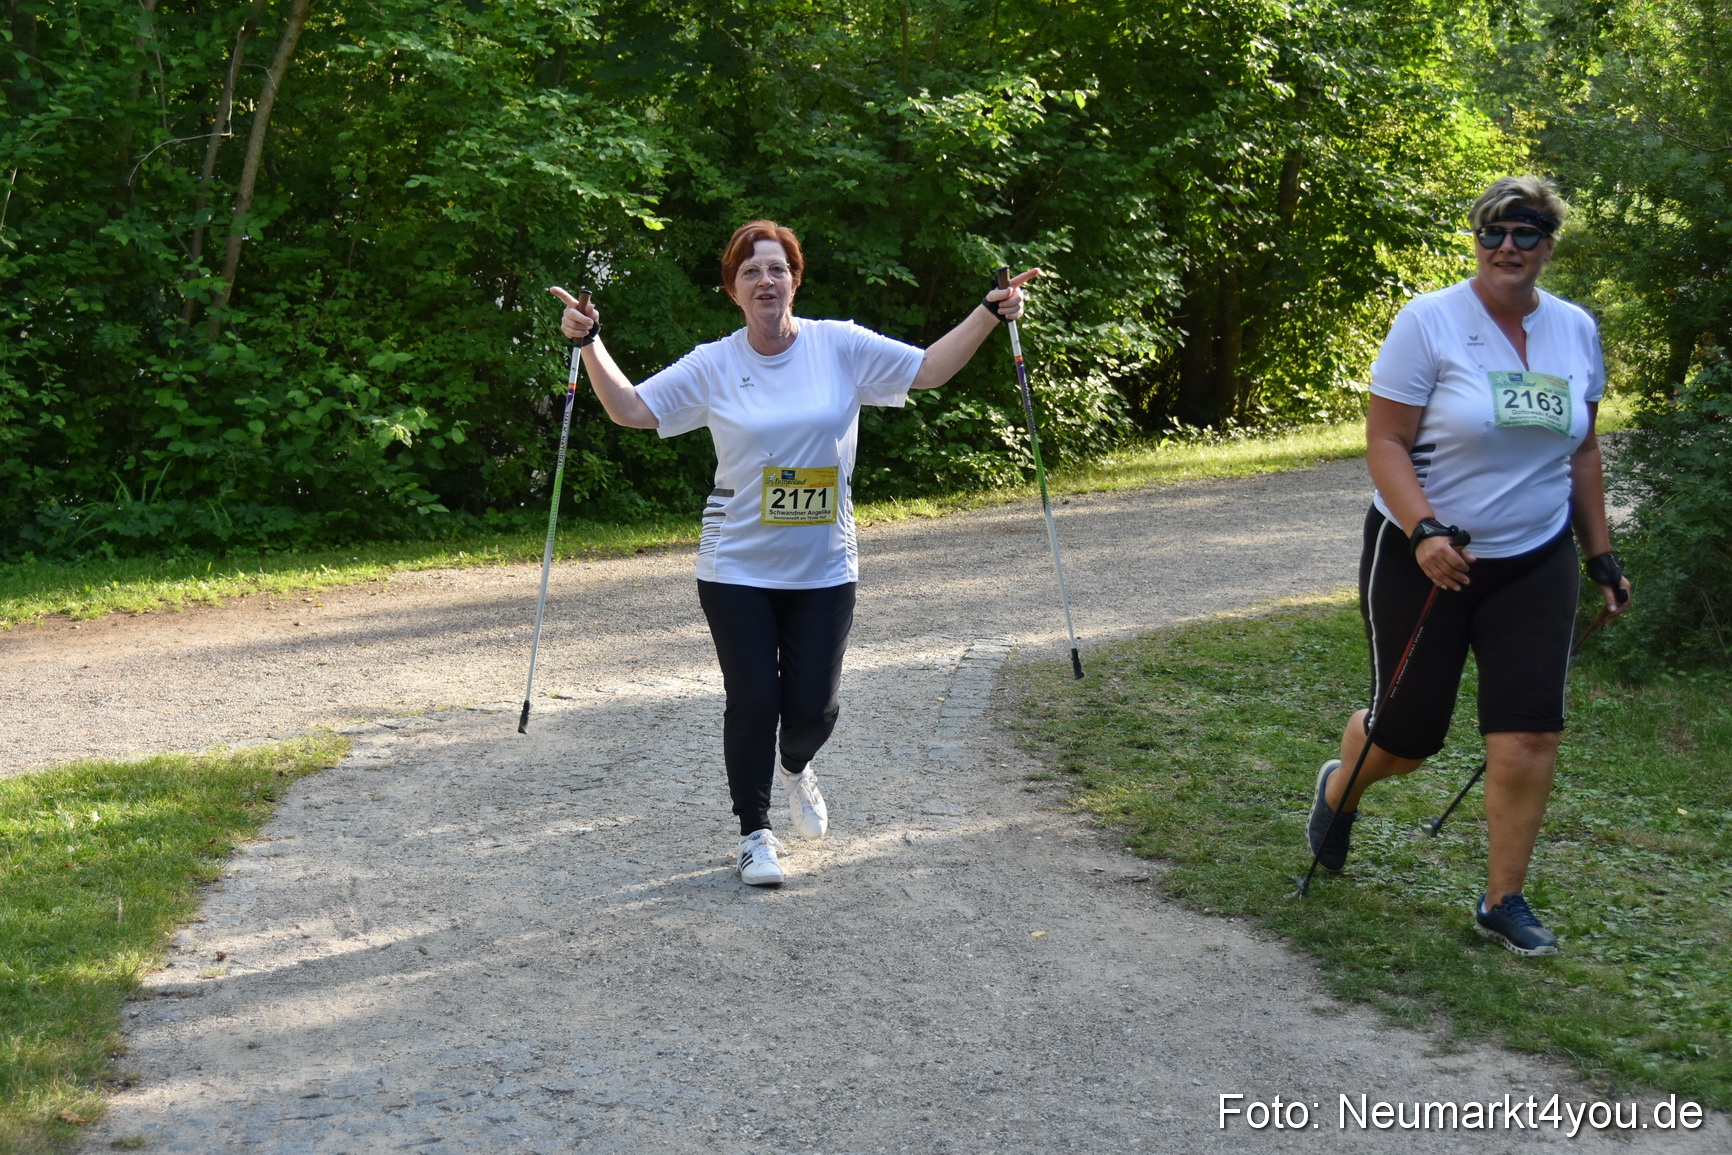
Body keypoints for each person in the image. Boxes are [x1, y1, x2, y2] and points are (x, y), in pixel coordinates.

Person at [550, 221, 1037, 887]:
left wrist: (987, 312)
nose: (765, 281)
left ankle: (796, 764)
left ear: (795, 279)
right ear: (733, 290)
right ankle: (754, 834)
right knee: (752, 698)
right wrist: (589, 343)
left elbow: (926, 369)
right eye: (749, 272)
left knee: (814, 709)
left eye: (776, 268)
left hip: (823, 564)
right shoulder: (716, 362)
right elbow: (632, 408)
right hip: (736, 564)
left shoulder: (839, 346)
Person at [1306, 175, 1632, 956]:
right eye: (1492, 233)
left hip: (1534, 557)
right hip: (1423, 555)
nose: (1507, 248)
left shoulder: (1575, 330)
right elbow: (1385, 442)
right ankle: (1341, 778)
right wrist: (1423, 530)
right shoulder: (1431, 321)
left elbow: (1582, 450)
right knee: (1409, 741)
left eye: (1525, 233)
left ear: (1550, 244)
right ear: (1477, 240)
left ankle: (1502, 898)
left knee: (1527, 737)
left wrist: (1601, 553)